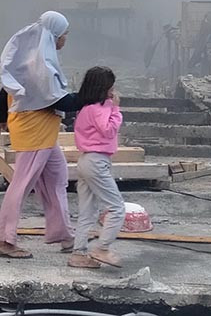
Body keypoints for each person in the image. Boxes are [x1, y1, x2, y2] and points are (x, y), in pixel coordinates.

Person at [0, 11, 76, 259]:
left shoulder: (31, 58)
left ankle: (63, 233)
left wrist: (0, 115)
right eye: (65, 34)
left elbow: (5, 88)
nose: (65, 40)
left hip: (43, 133)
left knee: (57, 177)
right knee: (21, 185)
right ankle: (4, 240)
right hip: (34, 132)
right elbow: (59, 100)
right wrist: (93, 96)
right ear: (55, 35)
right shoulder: (41, 66)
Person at [68, 66, 125, 270]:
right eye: (111, 86)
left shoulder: (85, 109)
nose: (113, 90)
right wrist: (115, 109)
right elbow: (108, 131)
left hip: (85, 161)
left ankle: (78, 253)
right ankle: (102, 247)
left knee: (87, 211)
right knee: (117, 208)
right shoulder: (101, 108)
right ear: (104, 88)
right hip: (97, 161)